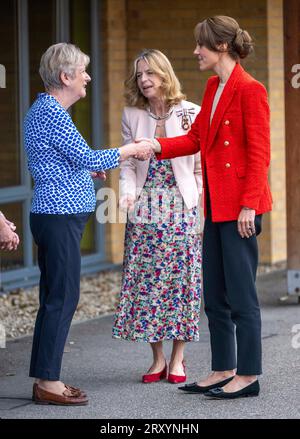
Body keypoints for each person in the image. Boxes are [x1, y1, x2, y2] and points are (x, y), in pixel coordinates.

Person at [144, 16, 272, 399]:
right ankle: (223, 367)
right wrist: (155, 147)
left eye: (201, 45)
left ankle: (248, 375)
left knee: (241, 295)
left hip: (241, 208)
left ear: (220, 47)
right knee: (214, 293)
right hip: (216, 205)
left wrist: (249, 204)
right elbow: (197, 137)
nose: (195, 51)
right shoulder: (213, 85)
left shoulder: (251, 90)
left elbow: (259, 153)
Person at [24, 43, 152, 406]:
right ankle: (48, 382)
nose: (88, 78)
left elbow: (70, 160)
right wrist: (132, 149)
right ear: (65, 77)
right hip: (57, 218)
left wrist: (86, 168)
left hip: (58, 218)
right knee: (61, 298)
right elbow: (87, 155)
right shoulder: (51, 111)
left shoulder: (48, 110)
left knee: (56, 297)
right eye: (82, 72)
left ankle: (46, 377)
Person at [112, 49, 203, 384]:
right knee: (147, 284)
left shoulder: (190, 112)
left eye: (150, 72)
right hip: (146, 211)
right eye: (139, 75)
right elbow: (127, 163)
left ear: (165, 74)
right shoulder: (132, 113)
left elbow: (198, 169)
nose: (144, 80)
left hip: (181, 208)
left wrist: (196, 210)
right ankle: (157, 359)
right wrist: (128, 193)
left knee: (181, 283)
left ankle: (179, 359)